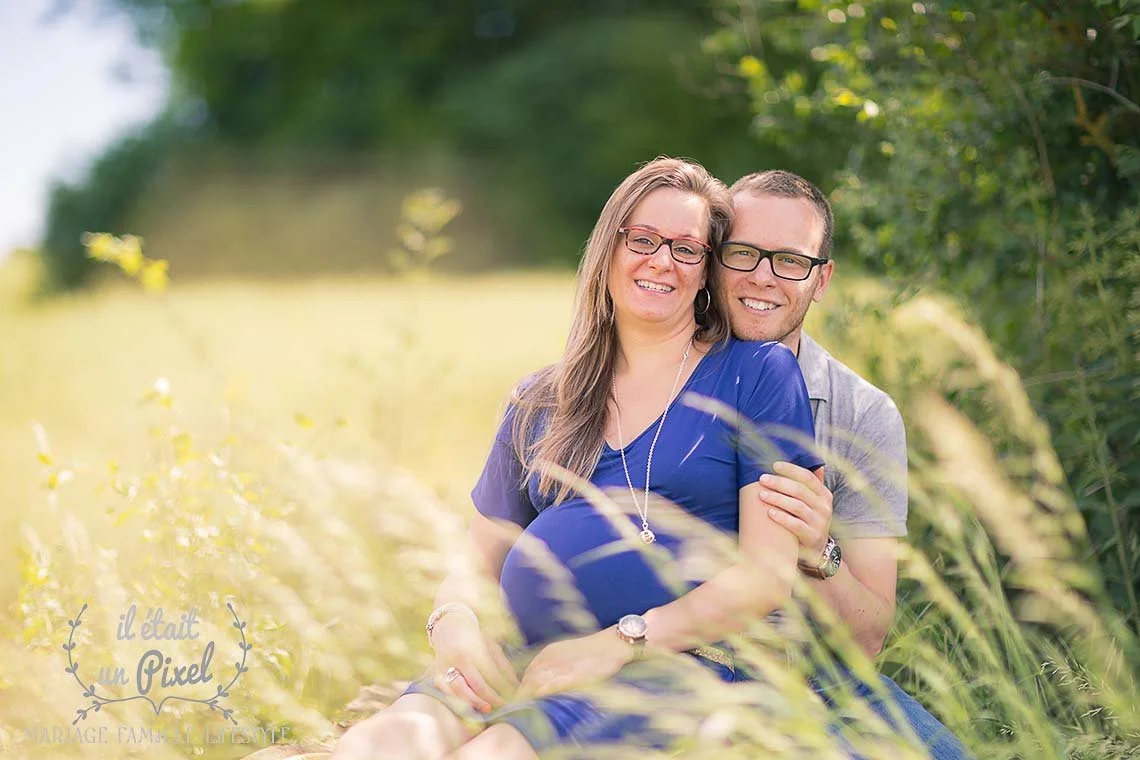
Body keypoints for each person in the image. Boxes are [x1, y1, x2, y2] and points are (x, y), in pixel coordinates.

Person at [331, 157, 825, 759]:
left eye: (688, 249)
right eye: (642, 239)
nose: (662, 260)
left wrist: (618, 643)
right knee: (377, 746)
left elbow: (765, 577)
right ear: (608, 250)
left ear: (706, 274)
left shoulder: (755, 375)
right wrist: (454, 621)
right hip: (517, 663)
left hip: (659, 672)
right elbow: (477, 556)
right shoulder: (542, 398)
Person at [715, 169, 969, 758]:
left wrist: (817, 551)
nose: (763, 277)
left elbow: (868, 636)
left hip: (818, 681)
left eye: (790, 261)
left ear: (821, 278)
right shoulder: (661, 379)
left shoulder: (861, 414)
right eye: (743, 253)